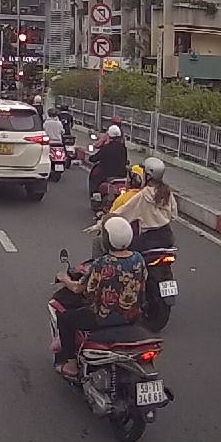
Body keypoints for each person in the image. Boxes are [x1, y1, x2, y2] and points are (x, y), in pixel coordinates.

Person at [53, 217, 148, 379]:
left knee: (65, 319)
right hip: (131, 316)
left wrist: (64, 279)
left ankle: (71, 364)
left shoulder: (102, 263)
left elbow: (79, 288)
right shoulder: (138, 258)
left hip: (102, 318)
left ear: (107, 240)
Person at [110, 158, 177, 252]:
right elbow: (173, 215)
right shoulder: (167, 192)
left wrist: (104, 221)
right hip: (167, 237)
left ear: (148, 176)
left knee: (126, 252)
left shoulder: (144, 195)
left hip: (148, 240)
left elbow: (123, 212)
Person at [87, 124, 129, 194]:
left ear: (109, 135)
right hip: (121, 174)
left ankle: (95, 193)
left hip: (107, 174)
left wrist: (91, 158)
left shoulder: (106, 148)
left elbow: (96, 157)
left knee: (95, 176)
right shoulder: (123, 148)